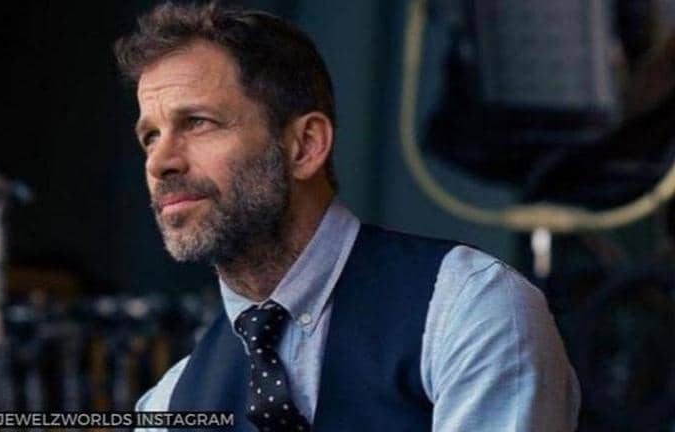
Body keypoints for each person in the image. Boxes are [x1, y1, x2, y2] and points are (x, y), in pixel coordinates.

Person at [114, 2, 581, 431]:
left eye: (198, 123)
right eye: (150, 137)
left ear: (306, 146)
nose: (160, 162)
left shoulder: (470, 310)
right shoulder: (169, 405)